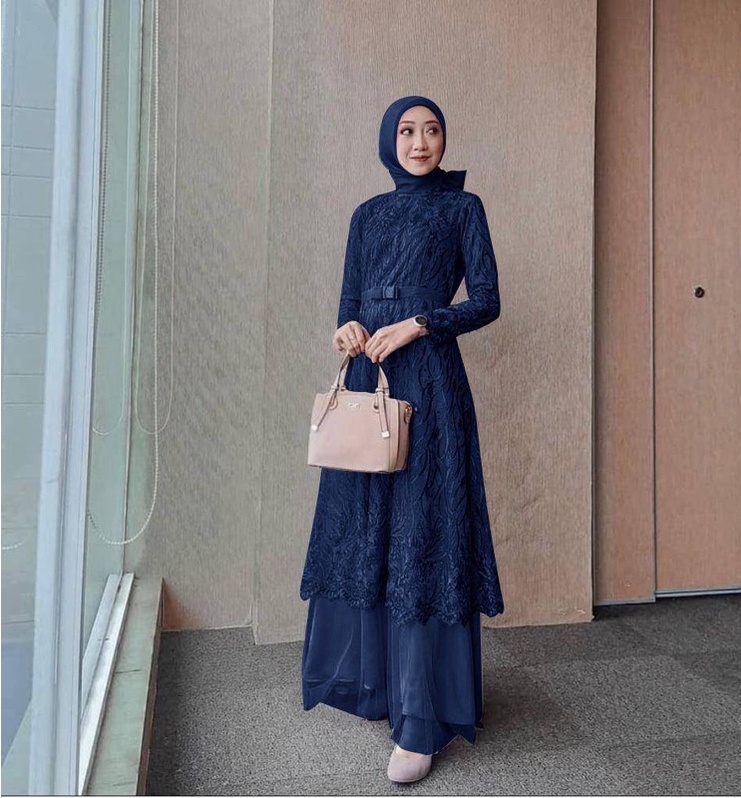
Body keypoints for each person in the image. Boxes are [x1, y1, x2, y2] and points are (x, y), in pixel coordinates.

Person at [299, 95, 505, 784]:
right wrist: (347, 332)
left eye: (432, 130)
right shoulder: (367, 215)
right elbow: (348, 306)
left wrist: (420, 323)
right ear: (389, 139)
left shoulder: (463, 208)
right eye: (408, 131)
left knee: (423, 535)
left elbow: (487, 300)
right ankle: (384, 687)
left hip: (432, 387)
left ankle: (421, 721)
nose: (421, 142)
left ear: (445, 139)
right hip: (370, 385)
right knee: (371, 532)